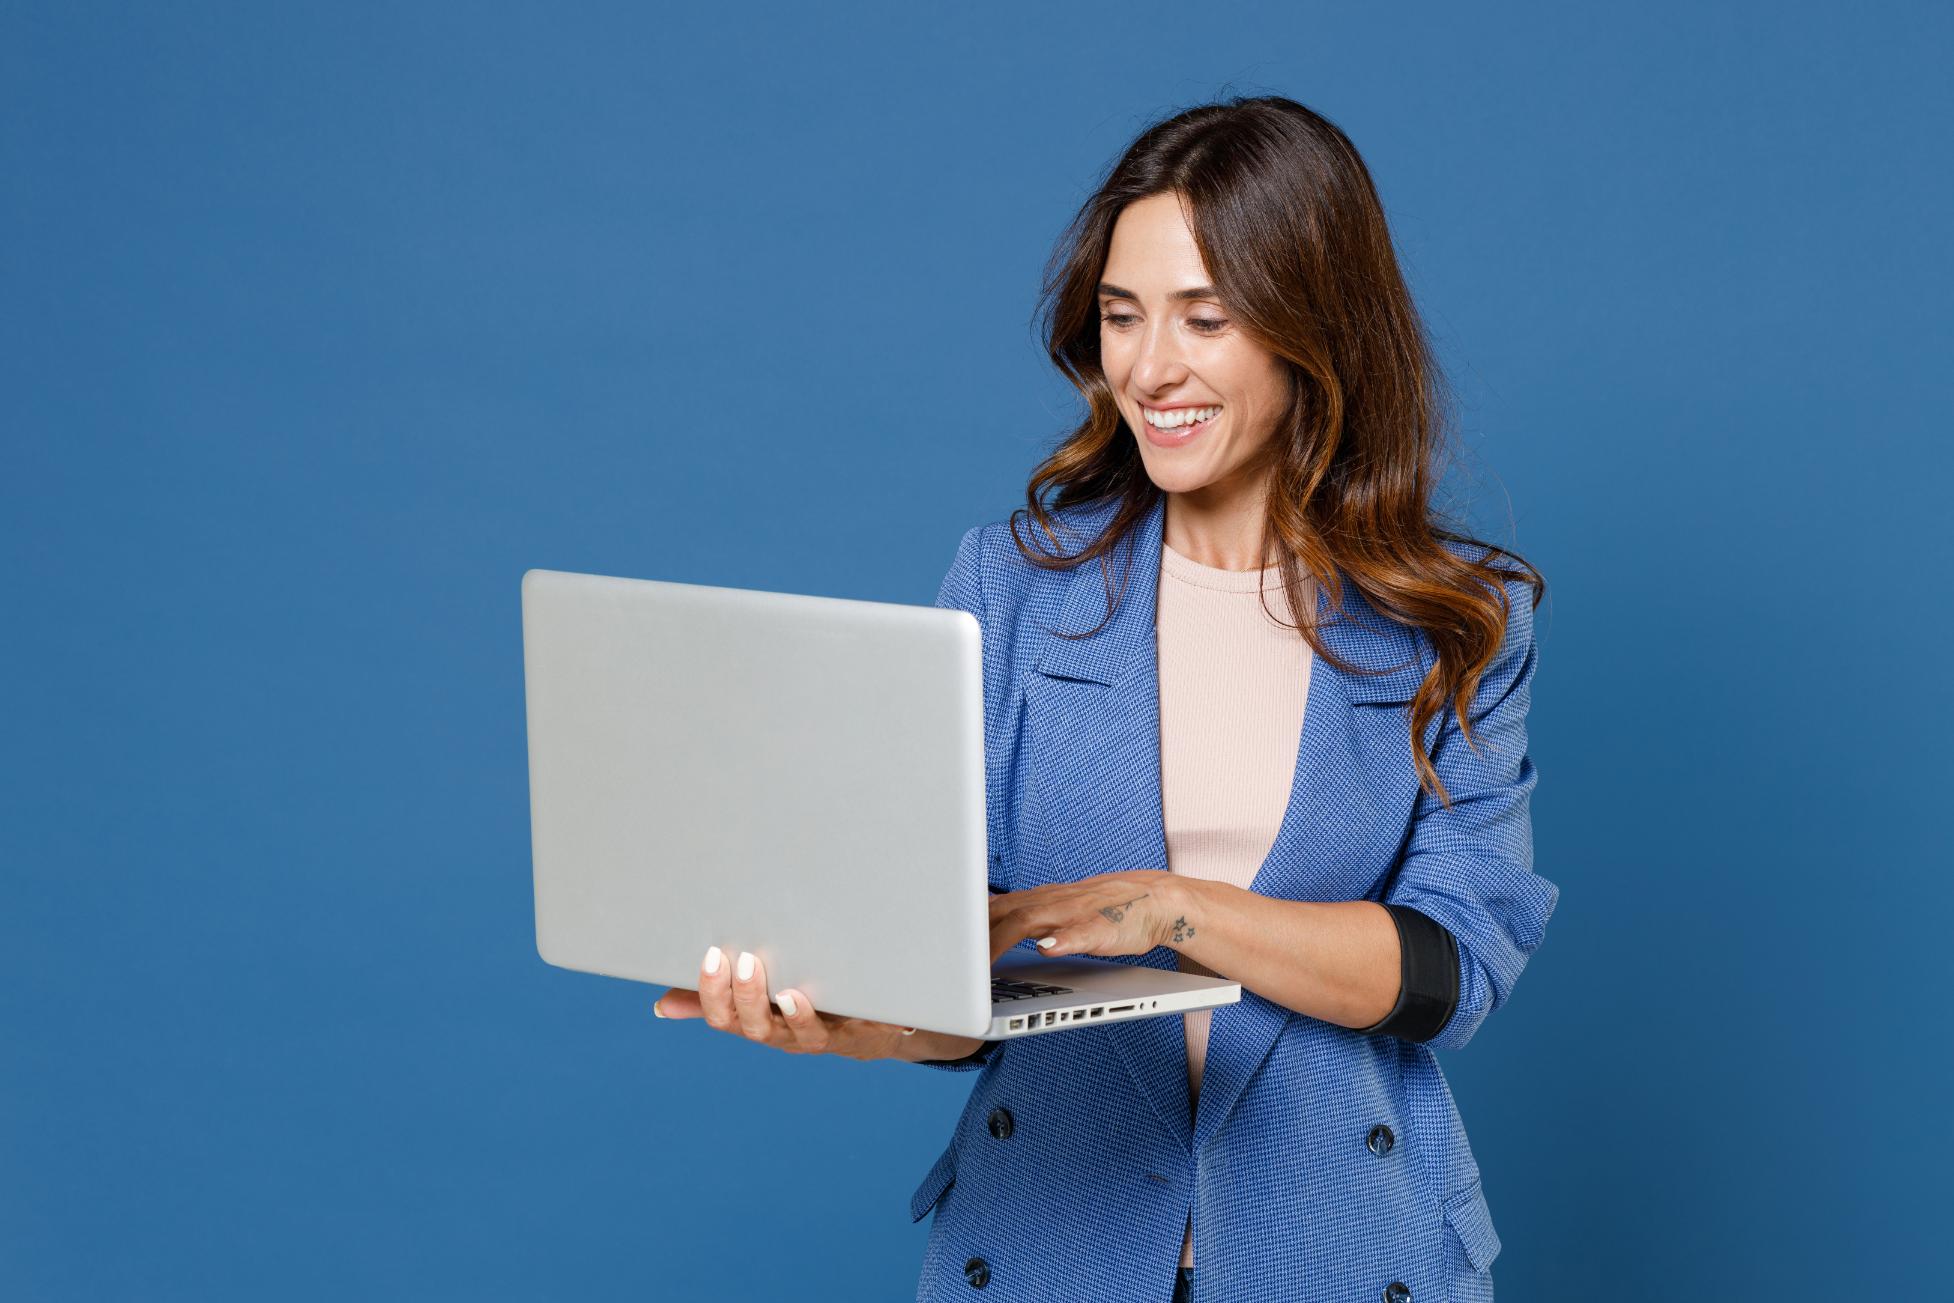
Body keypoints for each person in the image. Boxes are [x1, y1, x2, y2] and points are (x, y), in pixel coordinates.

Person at [651, 94, 1558, 1303]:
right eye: (1121, 317)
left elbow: (1446, 968)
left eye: (1205, 317)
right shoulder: (1012, 585)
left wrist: (1171, 909)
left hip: (1338, 1248)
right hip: (1048, 1248)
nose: (1148, 367)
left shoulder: (1459, 614)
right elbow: (954, 960)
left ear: (1313, 330)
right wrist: (860, 1020)